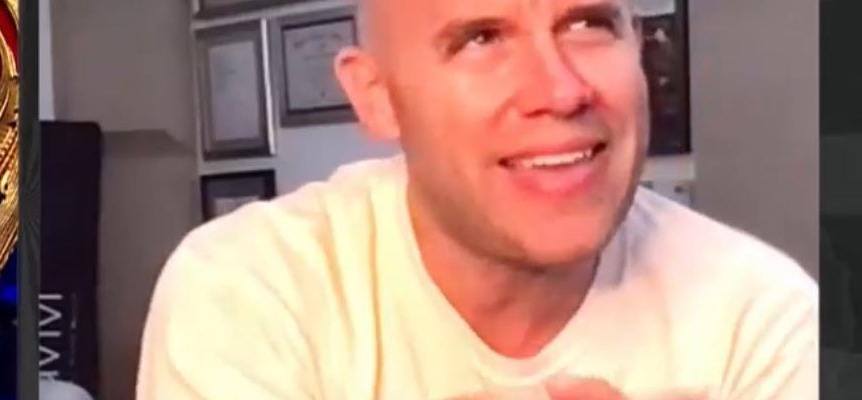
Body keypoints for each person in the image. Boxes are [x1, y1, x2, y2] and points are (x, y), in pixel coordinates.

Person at [136, 0, 816, 399]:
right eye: (480, 38)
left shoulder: (760, 316)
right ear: (377, 96)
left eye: (588, 23)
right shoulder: (251, 286)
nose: (560, 91)